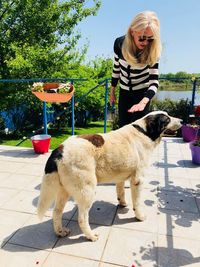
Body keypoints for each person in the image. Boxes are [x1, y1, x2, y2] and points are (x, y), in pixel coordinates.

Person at [110, 10, 162, 128]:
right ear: (132, 32)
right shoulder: (119, 44)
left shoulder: (154, 50)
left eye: (150, 39)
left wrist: (144, 102)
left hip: (142, 94)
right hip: (124, 92)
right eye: (142, 38)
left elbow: (154, 82)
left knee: (137, 131)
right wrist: (112, 90)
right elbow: (116, 68)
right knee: (123, 128)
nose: (146, 43)